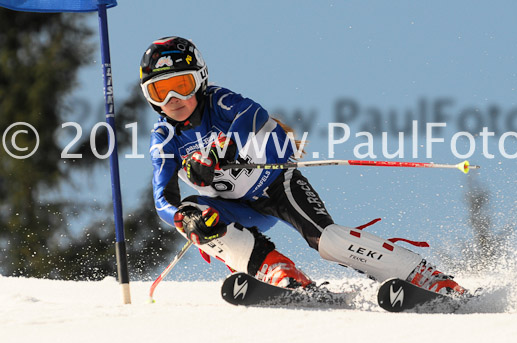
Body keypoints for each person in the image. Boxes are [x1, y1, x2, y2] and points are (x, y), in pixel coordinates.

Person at [140, 36, 464, 294]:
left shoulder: (218, 102)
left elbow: (252, 115)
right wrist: (183, 217)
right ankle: (278, 270)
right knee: (196, 216)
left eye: (181, 85)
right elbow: (163, 199)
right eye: (159, 90)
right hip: (237, 207)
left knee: (328, 241)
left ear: (200, 80)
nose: (172, 99)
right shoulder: (164, 137)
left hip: (276, 184)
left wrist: (222, 149)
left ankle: (420, 274)